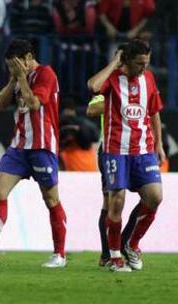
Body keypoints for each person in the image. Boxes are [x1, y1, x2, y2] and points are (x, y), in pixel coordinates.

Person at [0, 38, 67, 268]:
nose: (12, 69)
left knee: (51, 199)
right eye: (9, 66)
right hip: (19, 147)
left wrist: (21, 78)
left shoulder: (46, 74)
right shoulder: (18, 77)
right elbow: (0, 102)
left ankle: (59, 254)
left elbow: (35, 103)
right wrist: (14, 79)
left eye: (15, 65)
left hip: (41, 147)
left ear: (29, 58)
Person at [87, 39, 164, 272]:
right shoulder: (112, 78)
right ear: (127, 60)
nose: (144, 68)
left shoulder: (148, 79)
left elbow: (154, 113)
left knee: (155, 197)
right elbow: (93, 86)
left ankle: (131, 243)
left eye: (147, 63)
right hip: (115, 150)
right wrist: (114, 64)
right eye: (140, 63)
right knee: (116, 201)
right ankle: (114, 257)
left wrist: (158, 144)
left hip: (143, 150)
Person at [86, 94, 141, 267]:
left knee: (151, 196)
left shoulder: (143, 87)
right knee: (110, 202)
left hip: (138, 148)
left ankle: (125, 242)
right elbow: (92, 109)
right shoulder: (106, 90)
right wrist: (121, 101)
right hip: (111, 149)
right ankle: (107, 254)